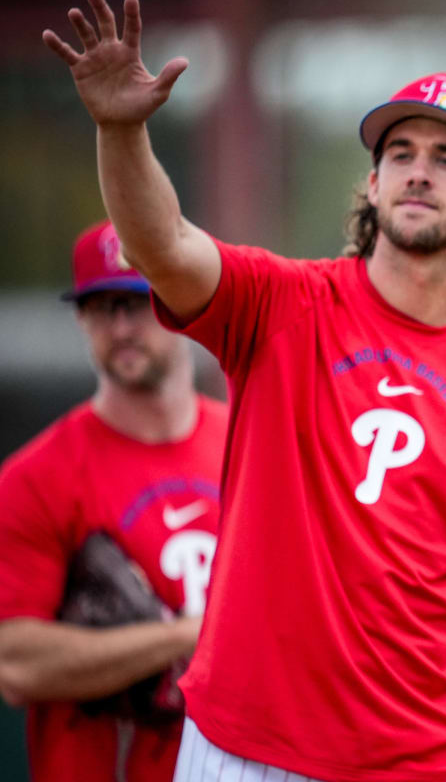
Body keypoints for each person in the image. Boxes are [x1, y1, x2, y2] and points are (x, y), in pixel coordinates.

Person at [43, 0, 446, 782]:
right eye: (399, 154)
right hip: (243, 751)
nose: (417, 172)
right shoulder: (279, 304)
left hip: (426, 762)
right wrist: (122, 132)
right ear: (372, 184)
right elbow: (161, 244)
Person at [0, 219, 226, 781]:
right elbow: (14, 662)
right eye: (101, 308)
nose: (121, 327)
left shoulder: (249, 445)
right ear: (82, 319)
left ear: (181, 306)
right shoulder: (35, 477)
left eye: (138, 302)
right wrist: (185, 636)